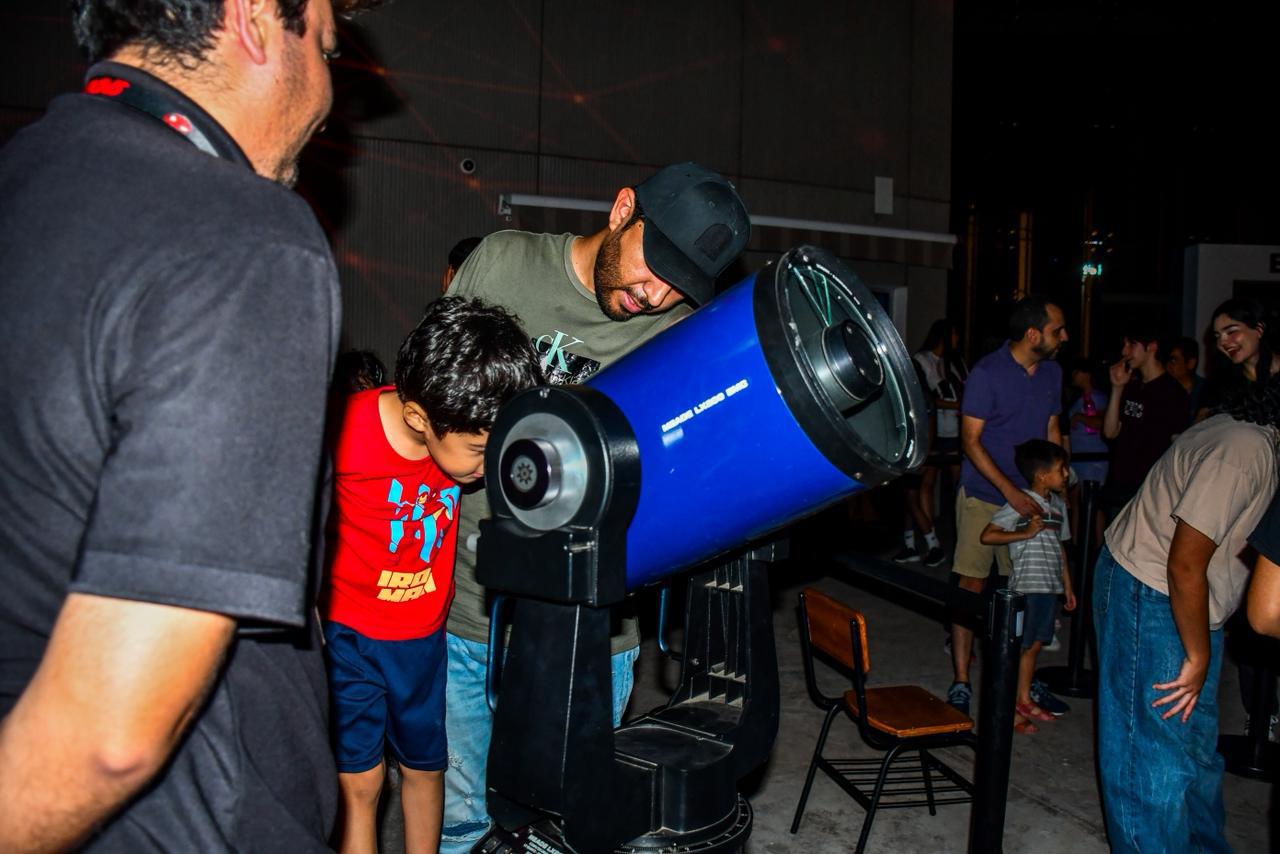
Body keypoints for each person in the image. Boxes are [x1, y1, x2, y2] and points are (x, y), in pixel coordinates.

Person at [0, 0, 377, 849]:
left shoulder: (27, 171)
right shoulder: (247, 242)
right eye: (323, 45)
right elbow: (111, 737)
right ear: (251, 18)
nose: (328, 94)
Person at [440, 161, 750, 853]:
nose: (657, 292)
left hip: (594, 636)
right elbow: (431, 407)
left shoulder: (684, 332)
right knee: (461, 822)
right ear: (621, 210)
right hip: (468, 612)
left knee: (562, 832)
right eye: (656, 262)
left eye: (682, 286)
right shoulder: (503, 266)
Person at [322, 298, 540, 854]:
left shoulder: (456, 431)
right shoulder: (344, 433)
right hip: (350, 638)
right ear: (420, 418)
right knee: (361, 781)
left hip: (422, 639)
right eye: (477, 451)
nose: (485, 466)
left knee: (424, 768)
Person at [1092, 381, 1280, 852]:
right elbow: (1185, 562)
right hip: (1152, 588)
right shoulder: (1244, 449)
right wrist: (1196, 654)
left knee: (1195, 748)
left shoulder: (1255, 435)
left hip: (1194, 599)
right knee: (1152, 759)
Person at [946, 295, 1068, 718]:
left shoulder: (1052, 371)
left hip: (1032, 502)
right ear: (1033, 333)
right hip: (983, 495)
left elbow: (1053, 428)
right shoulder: (987, 373)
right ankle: (962, 679)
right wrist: (1010, 491)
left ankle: (1021, 684)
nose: (1064, 337)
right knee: (971, 587)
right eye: (1057, 330)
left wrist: (1055, 489)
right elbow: (970, 442)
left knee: (1028, 594)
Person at [980, 440, 1076, 733]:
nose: (1067, 475)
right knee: (1018, 648)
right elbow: (989, 535)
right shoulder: (1021, 503)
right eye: (1062, 470)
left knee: (1035, 646)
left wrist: (1067, 587)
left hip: (1048, 588)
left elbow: (1060, 549)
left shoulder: (1058, 507)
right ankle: (1006, 707)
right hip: (1027, 587)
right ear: (1042, 475)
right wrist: (1024, 533)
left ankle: (1023, 699)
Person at [896, 319, 966, 566]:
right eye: (955, 334)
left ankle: (951, 542)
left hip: (956, 433)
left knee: (959, 488)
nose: (957, 339)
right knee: (919, 488)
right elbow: (928, 402)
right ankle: (925, 544)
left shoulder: (955, 363)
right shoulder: (921, 361)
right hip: (931, 435)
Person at [1099, 327, 1189, 520]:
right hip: (1120, 486)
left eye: (1131, 344)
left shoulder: (1173, 393)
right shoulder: (1130, 385)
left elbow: (1179, 444)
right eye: (1124, 345)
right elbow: (1110, 432)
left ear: (1152, 346)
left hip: (1151, 492)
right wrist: (1117, 388)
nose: (1125, 351)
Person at [1164, 335, 1205, 420]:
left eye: (1174, 360)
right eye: (1168, 360)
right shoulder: (1163, 390)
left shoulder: (1206, 391)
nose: (1168, 365)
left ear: (1191, 363)